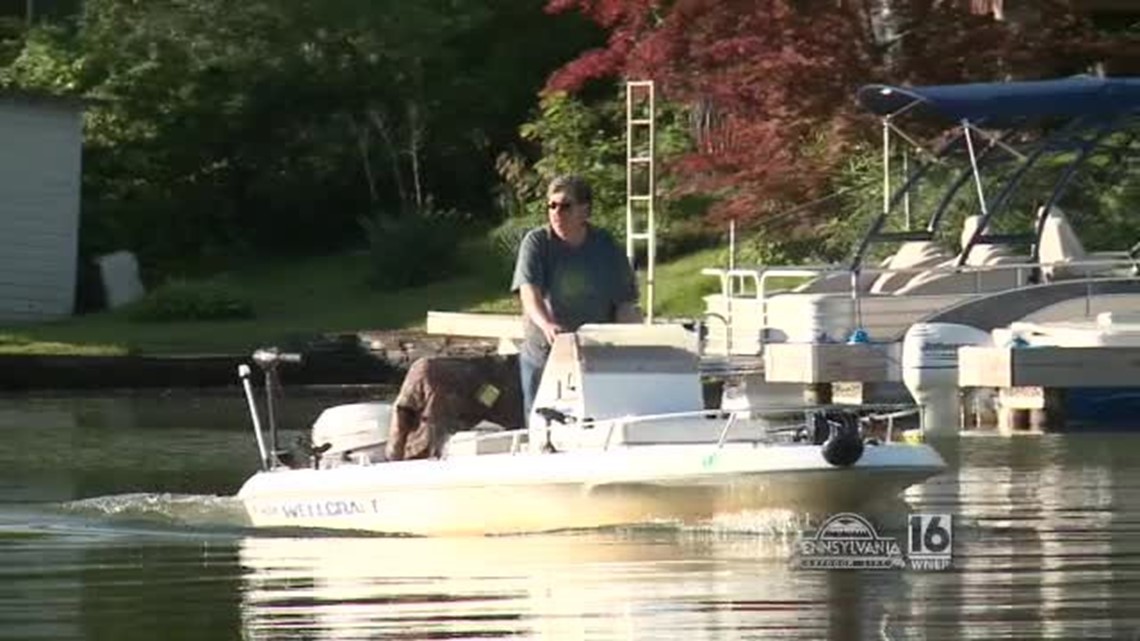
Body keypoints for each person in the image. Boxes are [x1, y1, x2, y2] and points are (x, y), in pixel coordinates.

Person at [510, 175, 642, 422]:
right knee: (542, 430)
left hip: (594, 358)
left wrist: (630, 343)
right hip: (546, 357)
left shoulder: (606, 246)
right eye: (552, 206)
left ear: (585, 210)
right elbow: (529, 292)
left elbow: (625, 303)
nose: (557, 213)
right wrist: (547, 324)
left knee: (595, 425)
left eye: (565, 206)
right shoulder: (538, 242)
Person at [386, 354, 523, 461]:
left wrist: (393, 457)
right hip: (491, 379)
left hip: (488, 382)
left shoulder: (423, 374)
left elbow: (401, 415)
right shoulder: (423, 374)